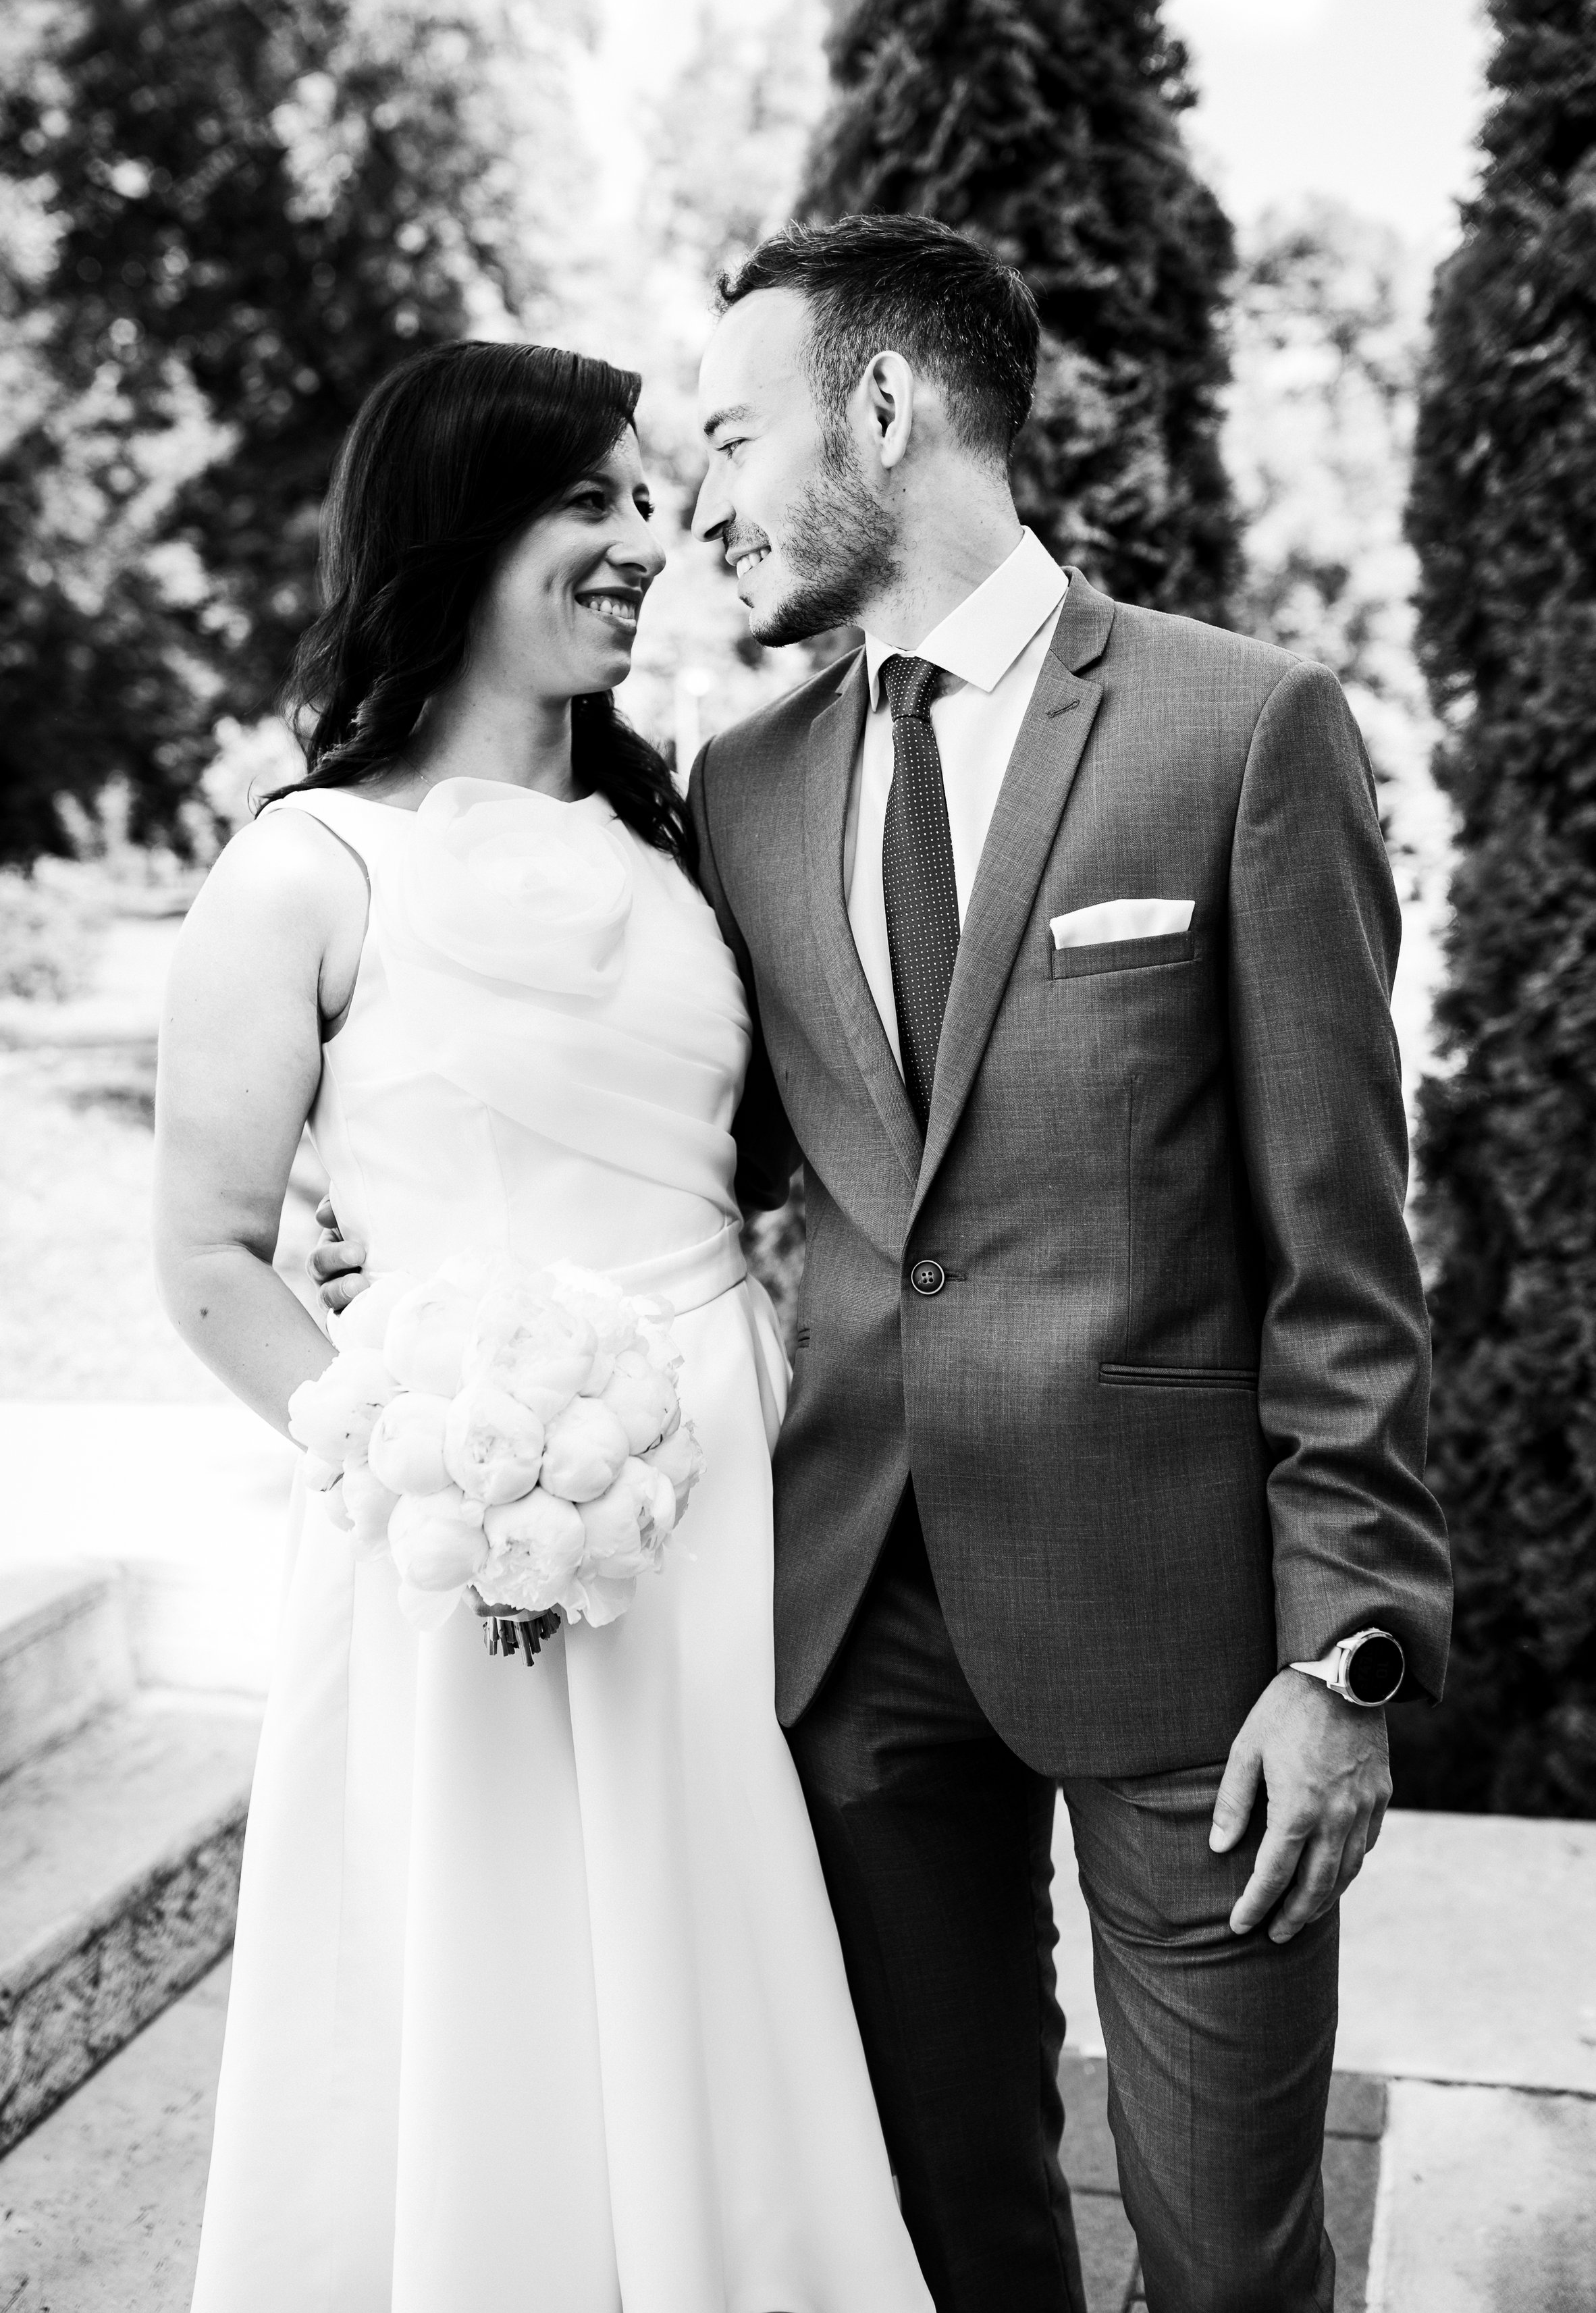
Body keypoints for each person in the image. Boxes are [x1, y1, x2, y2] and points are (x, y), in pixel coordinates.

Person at [673, 213, 1456, 2313]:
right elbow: (719, 1160)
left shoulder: (1239, 726)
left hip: (1189, 1646)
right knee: (945, 2236)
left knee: (1223, 2262)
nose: (695, 506)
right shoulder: (735, 787)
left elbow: (1340, 1245)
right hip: (852, 1631)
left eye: (729, 440)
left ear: (880, 405)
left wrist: (1343, 1654)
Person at [153, 338, 934, 2313]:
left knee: (705, 1946)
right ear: (456, 525)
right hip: (457, 1541)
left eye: (647, 498)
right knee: (478, 1970)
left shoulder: (680, 843)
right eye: (586, 499)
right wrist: (431, 1464)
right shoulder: (303, 871)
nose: (642, 540)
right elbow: (214, 1258)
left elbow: (758, 1166)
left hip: (723, 1498)